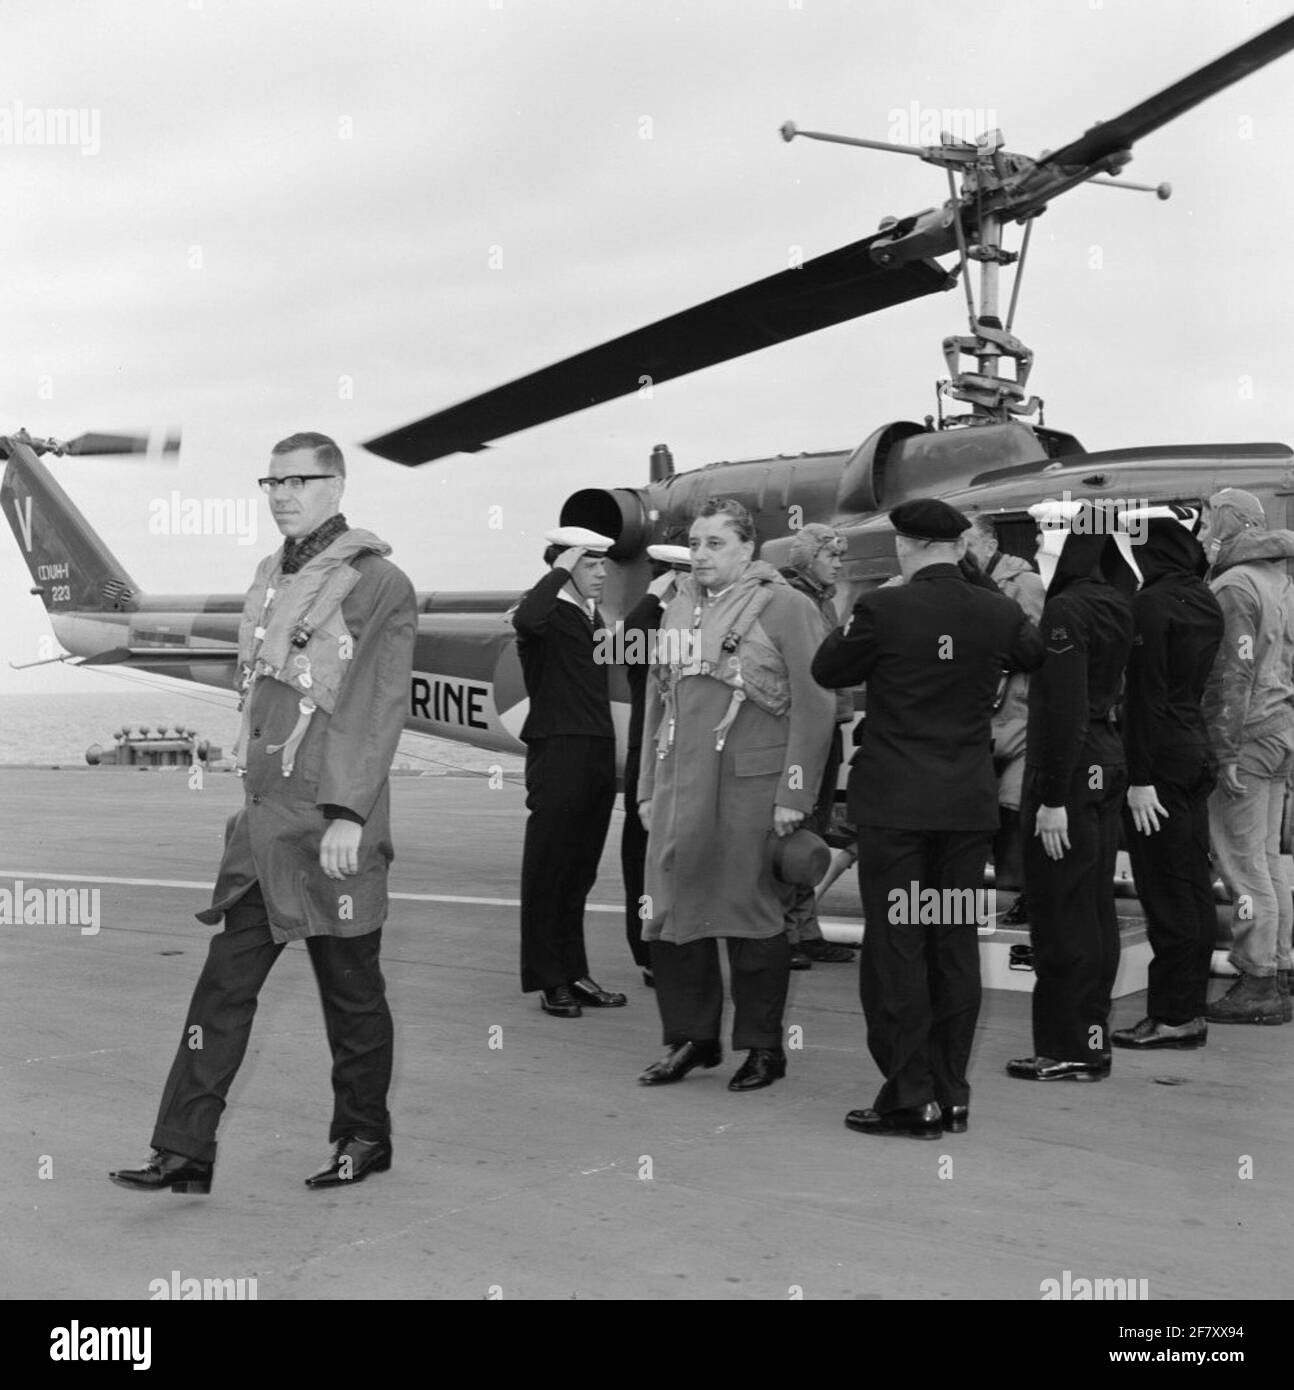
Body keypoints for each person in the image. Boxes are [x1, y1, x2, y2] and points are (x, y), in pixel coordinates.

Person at [110, 431, 417, 1193]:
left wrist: (349, 813)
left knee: (351, 995)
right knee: (222, 988)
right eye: (271, 482)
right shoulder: (272, 576)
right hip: (264, 829)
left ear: (336, 487)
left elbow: (374, 707)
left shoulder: (380, 584)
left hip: (331, 826)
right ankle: (184, 1151)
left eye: (299, 481)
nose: (281, 494)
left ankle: (363, 1137)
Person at [813, 498, 1044, 1138]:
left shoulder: (884, 608)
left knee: (898, 946)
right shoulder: (998, 610)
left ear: (905, 546)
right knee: (951, 945)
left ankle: (911, 1096)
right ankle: (952, 1090)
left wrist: (884, 601)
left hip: (896, 809)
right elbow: (1033, 653)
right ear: (961, 548)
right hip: (965, 808)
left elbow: (828, 667)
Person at [636, 498, 835, 1092]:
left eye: (714, 543)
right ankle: (693, 1038)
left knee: (751, 919)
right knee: (672, 915)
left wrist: (794, 794)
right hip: (679, 787)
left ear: (748, 548)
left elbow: (816, 704)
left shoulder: (786, 608)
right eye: (695, 544)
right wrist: (648, 786)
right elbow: (657, 704)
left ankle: (763, 1048)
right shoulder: (676, 610)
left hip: (751, 789)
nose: (700, 555)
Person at [1006, 500, 1138, 1083]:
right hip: (1108, 762)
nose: (1038, 549)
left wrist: (1053, 798)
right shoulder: (1117, 602)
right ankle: (1092, 1039)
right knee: (1094, 908)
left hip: (1071, 770)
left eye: (1044, 538)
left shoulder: (1065, 610)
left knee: (1061, 913)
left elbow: (1063, 710)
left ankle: (1069, 1047)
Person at [1111, 507, 1223, 1049]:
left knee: (1165, 891)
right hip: (1194, 748)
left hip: (1160, 760)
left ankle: (1175, 1015)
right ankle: (1188, 1008)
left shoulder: (1149, 605)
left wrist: (1139, 778)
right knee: (1193, 886)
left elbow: (1143, 699)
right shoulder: (1204, 600)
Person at [513, 526, 627, 1018]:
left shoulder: (590, 615)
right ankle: (548, 980)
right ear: (566, 564)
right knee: (549, 869)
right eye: (591, 563)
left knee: (578, 870)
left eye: (604, 564)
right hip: (557, 750)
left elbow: (623, 655)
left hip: (596, 751)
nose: (602, 573)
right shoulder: (544, 611)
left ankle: (574, 972)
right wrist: (560, 566)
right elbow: (527, 617)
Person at [1198, 489, 1294, 1025]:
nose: (1204, 527)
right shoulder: (1283, 583)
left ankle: (1256, 977)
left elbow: (1231, 674)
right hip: (1281, 730)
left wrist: (1224, 749)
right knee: (1269, 862)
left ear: (1230, 522)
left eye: (1210, 516)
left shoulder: (1235, 585)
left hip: (1249, 735)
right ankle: (1279, 969)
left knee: (1240, 865)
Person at [778, 523, 857, 968]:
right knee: (796, 832)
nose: (839, 564)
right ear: (810, 560)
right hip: (806, 732)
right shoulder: (797, 602)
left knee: (813, 833)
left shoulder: (820, 600)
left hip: (827, 728)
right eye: (832, 557)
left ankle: (805, 929)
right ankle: (786, 932)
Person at [964, 515, 1046, 926]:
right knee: (980, 818)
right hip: (980, 719)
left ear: (990, 543)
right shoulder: (962, 584)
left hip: (1019, 716)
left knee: (1018, 814)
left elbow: (1031, 649)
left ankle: (1031, 896)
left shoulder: (1026, 584)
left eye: (969, 544)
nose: (963, 554)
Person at [620, 556, 686, 987]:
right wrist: (656, 592)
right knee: (644, 861)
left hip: (688, 761)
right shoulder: (648, 623)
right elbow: (631, 639)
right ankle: (649, 951)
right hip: (651, 762)